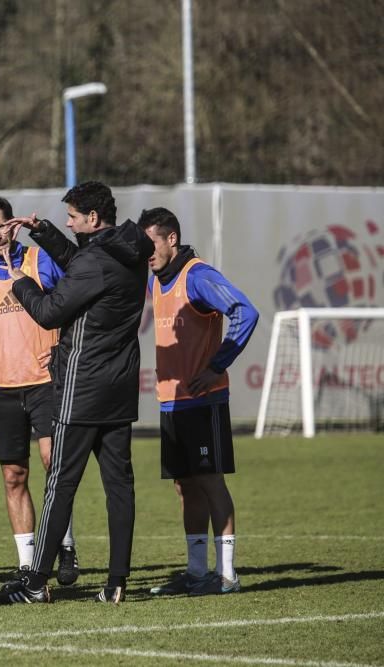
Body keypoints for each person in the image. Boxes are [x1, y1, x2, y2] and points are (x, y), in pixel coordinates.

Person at [0, 181, 153, 605]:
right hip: (119, 388)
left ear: (93, 219)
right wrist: (42, 230)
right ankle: (117, 583)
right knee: (119, 485)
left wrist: (19, 281)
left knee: (60, 484)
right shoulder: (127, 249)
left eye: (72, 217)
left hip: (81, 387)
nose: (67, 221)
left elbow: (49, 312)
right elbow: (84, 264)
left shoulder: (96, 261)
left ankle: (34, 583)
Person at [0, 194, 81, 590]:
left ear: (13, 224)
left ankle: (65, 544)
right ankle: (27, 564)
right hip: (3, 388)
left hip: (45, 384)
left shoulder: (39, 261)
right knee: (13, 476)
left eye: (2, 227)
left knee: (51, 463)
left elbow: (74, 302)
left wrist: (62, 349)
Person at [137, 207, 259, 596]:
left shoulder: (198, 276)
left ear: (171, 239)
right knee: (184, 486)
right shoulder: (157, 278)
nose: (146, 252)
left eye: (151, 243)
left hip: (203, 400)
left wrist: (217, 364)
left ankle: (226, 576)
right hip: (172, 402)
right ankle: (196, 573)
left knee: (209, 481)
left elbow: (245, 311)